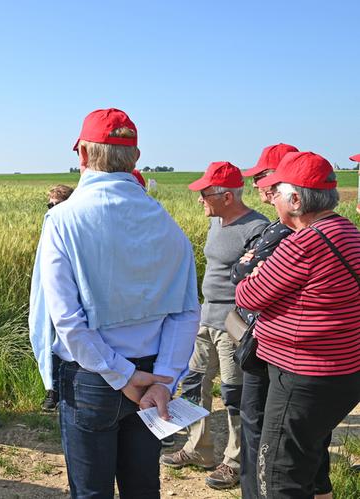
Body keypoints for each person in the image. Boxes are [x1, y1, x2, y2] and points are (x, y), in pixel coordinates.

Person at [29, 108, 200, 498]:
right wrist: (164, 378)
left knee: (92, 492)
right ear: (135, 158)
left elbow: (66, 321)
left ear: (84, 157)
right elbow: (186, 310)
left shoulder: (63, 220)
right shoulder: (166, 223)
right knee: (143, 489)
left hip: (92, 380)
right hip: (153, 379)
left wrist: (120, 375)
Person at [236, 151, 360, 498]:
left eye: (275, 193)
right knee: (307, 464)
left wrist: (257, 275)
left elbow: (247, 295)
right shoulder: (347, 232)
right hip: (342, 370)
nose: (271, 199)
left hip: (301, 377)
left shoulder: (304, 244)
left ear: (295, 199)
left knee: (279, 477)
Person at [161, 161, 269, 490]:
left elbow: (259, 280)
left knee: (234, 394)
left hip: (233, 324)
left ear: (226, 196)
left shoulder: (257, 228)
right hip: (204, 319)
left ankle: (235, 461)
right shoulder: (217, 222)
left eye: (204, 193)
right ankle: (199, 449)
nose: (199, 199)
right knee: (193, 385)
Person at [41, 184, 74, 412]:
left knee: (68, 341)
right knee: (52, 342)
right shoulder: (49, 227)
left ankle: (68, 391)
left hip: (69, 294)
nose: (51, 209)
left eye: (56, 204)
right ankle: (53, 391)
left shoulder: (75, 228)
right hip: (52, 294)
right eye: (49, 205)